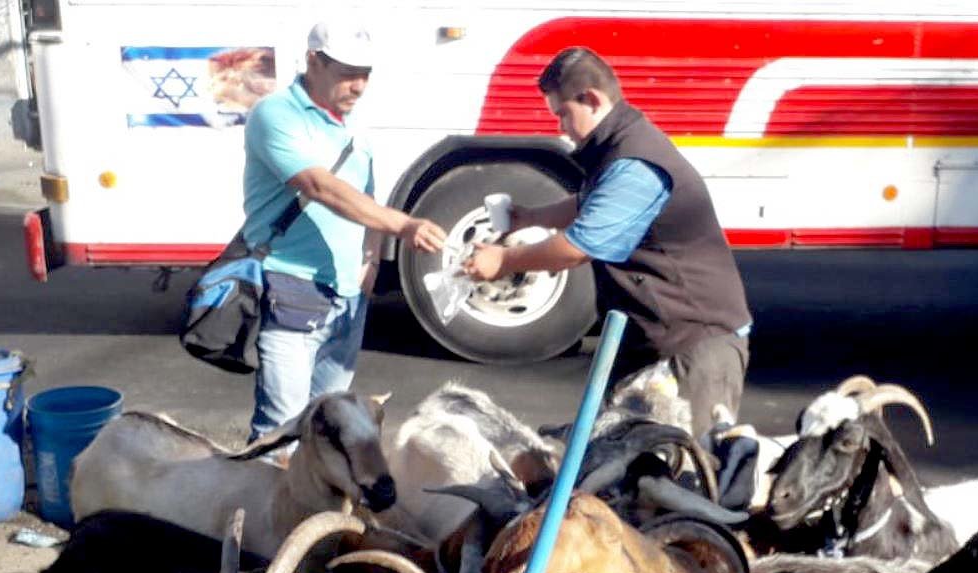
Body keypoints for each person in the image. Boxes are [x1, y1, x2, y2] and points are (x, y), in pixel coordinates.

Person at [462, 47, 752, 439]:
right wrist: (529, 217)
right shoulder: (618, 147)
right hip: (658, 340)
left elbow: (577, 248)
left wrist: (504, 261)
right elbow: (591, 204)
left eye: (563, 114)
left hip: (695, 347)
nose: (562, 127)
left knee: (681, 466)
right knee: (615, 456)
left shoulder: (636, 162)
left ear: (592, 99)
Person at [242, 17, 446, 441]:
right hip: (293, 287)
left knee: (329, 430)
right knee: (282, 431)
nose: (359, 86)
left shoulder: (352, 126)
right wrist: (405, 225)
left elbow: (366, 196)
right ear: (313, 61)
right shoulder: (275, 113)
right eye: (348, 74)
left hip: (348, 295)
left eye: (365, 74)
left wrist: (371, 260)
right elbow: (319, 186)